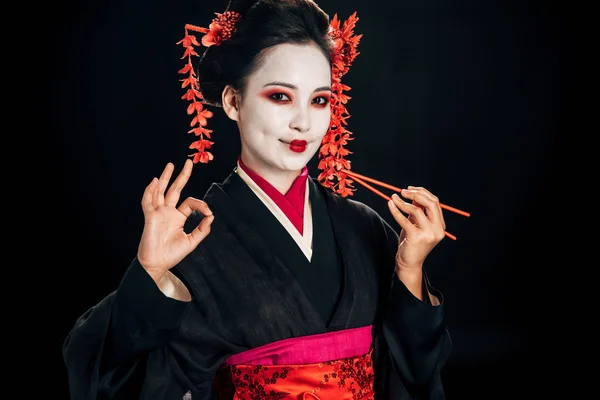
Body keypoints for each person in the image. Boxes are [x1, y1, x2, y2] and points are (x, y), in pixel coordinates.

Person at [62, 0, 453, 399]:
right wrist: (151, 275)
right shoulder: (192, 243)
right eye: (281, 97)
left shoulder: (366, 227)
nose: (303, 121)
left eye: (319, 100)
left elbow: (417, 369)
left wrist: (409, 270)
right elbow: (113, 378)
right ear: (233, 101)